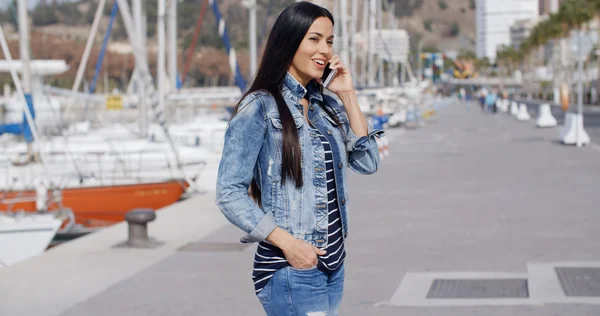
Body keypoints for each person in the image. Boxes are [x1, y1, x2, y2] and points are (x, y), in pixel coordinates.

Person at [215, 2, 383, 315]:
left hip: (332, 264)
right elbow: (228, 193)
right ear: (290, 42)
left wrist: (348, 95)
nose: (325, 50)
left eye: (330, 41)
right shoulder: (260, 107)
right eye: (315, 39)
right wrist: (291, 246)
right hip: (293, 268)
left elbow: (368, 162)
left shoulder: (324, 107)